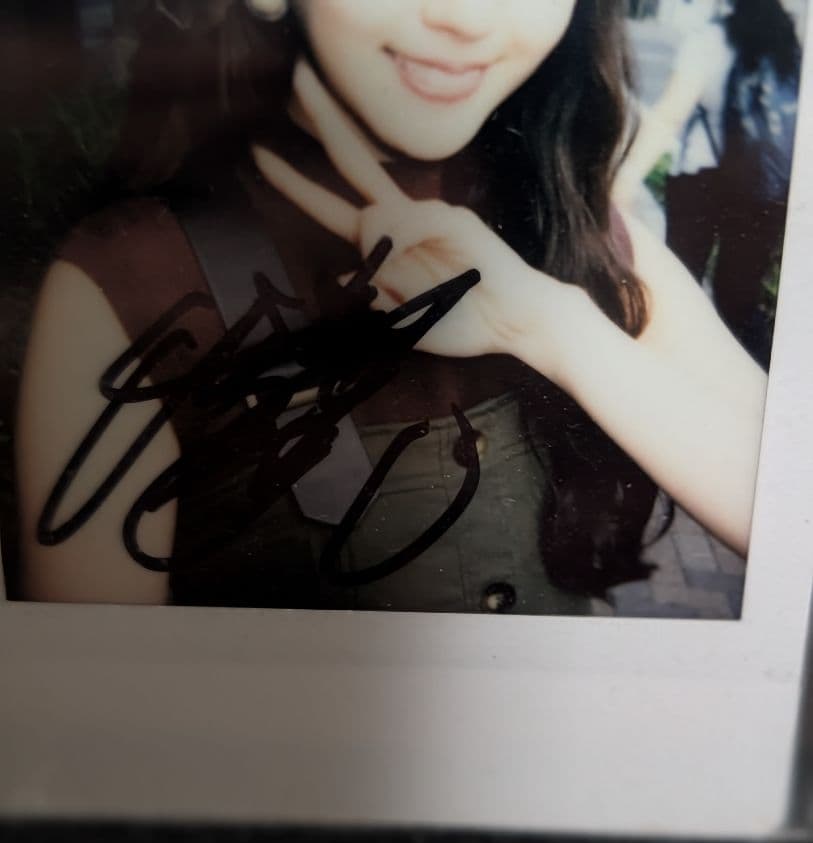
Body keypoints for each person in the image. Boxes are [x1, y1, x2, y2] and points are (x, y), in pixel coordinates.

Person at [15, 0, 767, 613]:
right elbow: (96, 712)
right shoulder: (129, 281)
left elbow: (789, 510)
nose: (468, 19)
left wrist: (547, 324)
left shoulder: (572, 221)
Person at [615, 0, 801, 368]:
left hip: (699, 180)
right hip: (763, 188)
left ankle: (673, 365)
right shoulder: (788, 46)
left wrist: (626, 178)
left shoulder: (709, 40)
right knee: (740, 297)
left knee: (680, 281)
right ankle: (742, 373)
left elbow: (669, 116)